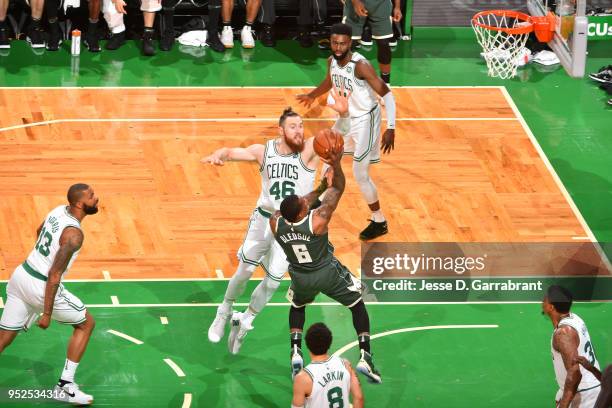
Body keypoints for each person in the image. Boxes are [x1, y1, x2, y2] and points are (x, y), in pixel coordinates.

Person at [203, 105, 348, 355]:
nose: (299, 130)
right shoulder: (264, 151)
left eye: (301, 125)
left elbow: (334, 135)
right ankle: (224, 310)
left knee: (272, 282)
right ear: (281, 130)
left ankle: (246, 319)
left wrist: (344, 116)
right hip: (264, 218)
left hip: (292, 225)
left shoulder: (310, 151)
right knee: (245, 269)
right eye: (293, 126)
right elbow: (232, 151)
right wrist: (219, 154)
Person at [270, 143, 382, 384]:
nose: (304, 199)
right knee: (357, 303)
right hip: (326, 271)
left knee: (298, 305)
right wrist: (335, 163)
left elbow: (302, 206)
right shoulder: (317, 222)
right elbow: (339, 188)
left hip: (299, 275)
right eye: (301, 202)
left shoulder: (276, 222)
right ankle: (365, 355)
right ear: (302, 213)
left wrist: (321, 186)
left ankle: (296, 350)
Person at [0, 184, 99, 405]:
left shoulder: (57, 210)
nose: (97, 198)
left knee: (3, 337)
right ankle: (64, 386)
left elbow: (39, 232)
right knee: (86, 324)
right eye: (92, 196)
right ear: (79, 203)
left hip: (21, 275)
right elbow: (54, 274)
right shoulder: (74, 235)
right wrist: (46, 313)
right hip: (40, 286)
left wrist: (40, 259)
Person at [297, 22, 396, 241]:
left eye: (342, 43)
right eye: (334, 43)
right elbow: (329, 81)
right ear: (330, 42)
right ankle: (321, 201)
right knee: (327, 156)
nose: (338, 47)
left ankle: (379, 221)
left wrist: (390, 127)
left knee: (360, 175)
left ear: (350, 43)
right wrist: (313, 95)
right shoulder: (331, 60)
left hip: (366, 121)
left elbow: (386, 93)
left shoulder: (361, 65)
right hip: (346, 118)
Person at [542, 285, 602, 408]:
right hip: (591, 387)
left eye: (546, 299)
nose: (543, 300)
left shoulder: (563, 333)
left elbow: (575, 374)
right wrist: (561, 393)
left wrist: (564, 404)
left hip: (583, 395)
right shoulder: (575, 318)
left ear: (551, 307)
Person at [292, 322, 364, 408]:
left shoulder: (303, 378)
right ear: (329, 342)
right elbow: (359, 397)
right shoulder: (345, 364)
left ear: (307, 344)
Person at [344, 0, 402, 83]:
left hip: (381, 4)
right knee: (348, 43)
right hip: (355, 4)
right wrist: (355, 2)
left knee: (384, 43)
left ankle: (385, 83)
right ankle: (343, 79)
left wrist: (397, 7)